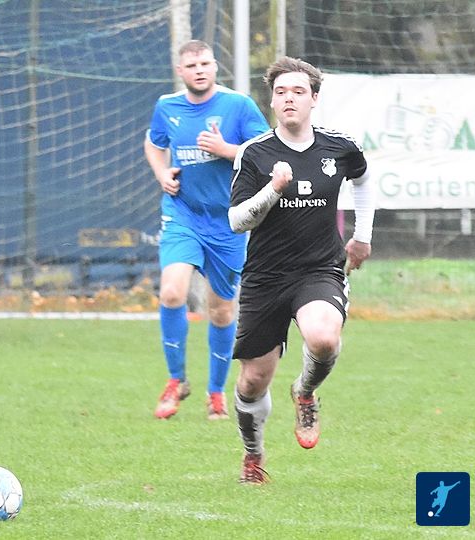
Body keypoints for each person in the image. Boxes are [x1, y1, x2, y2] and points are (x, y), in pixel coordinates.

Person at [228, 56, 374, 484]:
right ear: (272, 102)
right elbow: (237, 221)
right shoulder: (255, 153)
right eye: (280, 92)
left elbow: (364, 180)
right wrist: (273, 189)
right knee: (253, 381)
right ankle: (253, 454)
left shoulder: (339, 147)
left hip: (319, 269)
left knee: (324, 338)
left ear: (314, 99)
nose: (288, 98)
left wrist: (362, 236)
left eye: (298, 91)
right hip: (265, 276)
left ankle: (305, 391)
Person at [144, 40, 270, 421]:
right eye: (192, 65)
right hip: (182, 214)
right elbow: (153, 144)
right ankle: (176, 380)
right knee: (172, 291)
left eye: (205, 64)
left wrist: (226, 149)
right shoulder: (167, 106)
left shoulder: (238, 105)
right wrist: (162, 173)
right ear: (180, 71)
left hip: (229, 222)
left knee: (220, 310)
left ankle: (215, 392)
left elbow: (266, 152)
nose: (199, 70)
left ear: (215, 67)